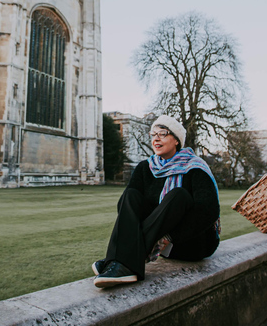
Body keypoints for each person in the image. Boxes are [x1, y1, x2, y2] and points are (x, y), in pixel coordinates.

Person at [92, 115, 220, 288]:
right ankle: (122, 263)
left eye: (163, 133)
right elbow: (127, 208)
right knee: (130, 195)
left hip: (190, 243)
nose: (156, 138)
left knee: (178, 195)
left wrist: (169, 237)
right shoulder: (146, 167)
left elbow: (208, 211)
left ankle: (118, 260)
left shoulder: (195, 167)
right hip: (159, 248)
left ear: (176, 140)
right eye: (153, 135)